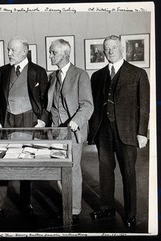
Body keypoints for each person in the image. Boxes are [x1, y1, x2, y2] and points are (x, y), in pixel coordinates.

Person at [88, 35, 150, 228]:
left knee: (129, 172)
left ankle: (131, 214)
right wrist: (94, 132)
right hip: (104, 131)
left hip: (128, 131)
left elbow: (144, 106)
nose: (110, 51)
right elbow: (94, 107)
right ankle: (106, 207)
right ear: (103, 51)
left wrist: (142, 133)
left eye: (114, 47)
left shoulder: (138, 73)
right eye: (107, 48)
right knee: (105, 171)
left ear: (121, 49)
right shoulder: (97, 76)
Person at [0, 36, 49, 219]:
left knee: (26, 160)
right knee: (2, 160)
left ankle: (25, 202)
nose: (9, 53)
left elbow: (46, 99)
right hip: (7, 120)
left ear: (24, 51)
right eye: (8, 50)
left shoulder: (38, 71)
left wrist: (42, 120)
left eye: (13, 50)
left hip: (29, 120)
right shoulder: (2, 71)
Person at [46, 39, 94, 225]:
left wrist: (76, 122)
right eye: (50, 52)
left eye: (53, 53)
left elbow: (87, 105)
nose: (50, 55)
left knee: (72, 169)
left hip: (72, 130)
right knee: (59, 169)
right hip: (55, 130)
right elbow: (50, 104)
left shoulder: (81, 75)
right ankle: (67, 202)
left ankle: (73, 209)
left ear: (65, 54)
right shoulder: (52, 76)